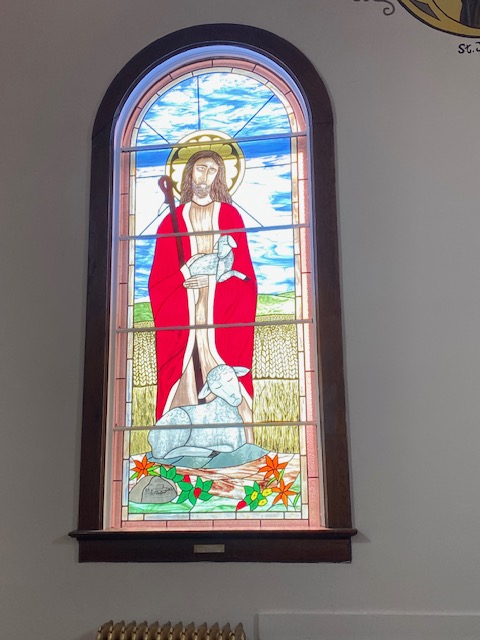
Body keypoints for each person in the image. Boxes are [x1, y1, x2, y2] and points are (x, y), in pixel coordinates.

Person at [148, 150, 257, 436]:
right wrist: (187, 273)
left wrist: (213, 281)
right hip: (183, 313)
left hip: (220, 313)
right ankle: (178, 441)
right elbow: (159, 283)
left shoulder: (230, 216)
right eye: (200, 168)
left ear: (219, 177)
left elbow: (245, 277)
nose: (205, 176)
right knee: (185, 373)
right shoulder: (171, 222)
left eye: (212, 170)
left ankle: (235, 438)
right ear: (189, 173)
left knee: (222, 372)